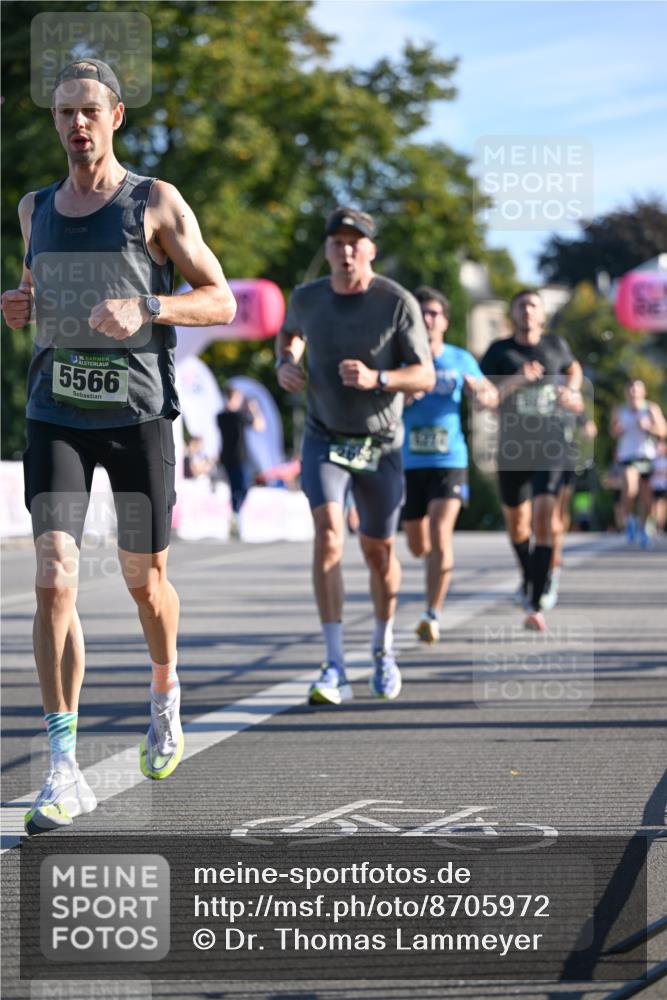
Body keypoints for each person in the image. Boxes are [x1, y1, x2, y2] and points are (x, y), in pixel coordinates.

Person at [1, 59, 236, 834]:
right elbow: (40, 301)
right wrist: (22, 306)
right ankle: (63, 768)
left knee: (144, 583)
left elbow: (221, 298)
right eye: (64, 112)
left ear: (116, 117)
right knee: (54, 579)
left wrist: (148, 304)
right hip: (56, 411)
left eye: (89, 112)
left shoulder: (155, 202)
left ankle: (164, 693)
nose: (76, 125)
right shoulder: (34, 209)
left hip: (136, 416)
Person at [275, 207, 434, 703]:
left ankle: (383, 649)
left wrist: (378, 379)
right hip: (325, 437)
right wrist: (286, 363)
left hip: (380, 442)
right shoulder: (306, 297)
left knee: (378, 551)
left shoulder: (396, 302)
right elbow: (288, 333)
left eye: (355, 243)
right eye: (337, 243)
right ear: (326, 251)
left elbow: (424, 375)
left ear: (371, 251)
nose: (345, 251)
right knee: (327, 536)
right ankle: (333, 664)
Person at [480, 289, 583, 631]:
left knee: (543, 515)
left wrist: (573, 391)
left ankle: (535, 600)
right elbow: (486, 400)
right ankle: (531, 575)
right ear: (513, 313)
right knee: (517, 525)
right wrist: (516, 380)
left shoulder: (555, 345)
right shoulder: (499, 352)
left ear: (541, 314)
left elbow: (574, 369)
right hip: (512, 448)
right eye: (521, 304)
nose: (527, 310)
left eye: (533, 305)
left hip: (550, 445)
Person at [401, 286, 497, 642]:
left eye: (434, 313)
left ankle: (432, 613)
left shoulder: (460, 359)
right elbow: (383, 402)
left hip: (449, 458)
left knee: (441, 533)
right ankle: (431, 564)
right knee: (417, 544)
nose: (428, 319)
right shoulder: (404, 359)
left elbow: (492, 397)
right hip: (410, 461)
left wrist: (480, 392)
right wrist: (405, 397)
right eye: (422, 312)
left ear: (445, 320)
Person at [541, 410, 597, 610]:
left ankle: (552, 570)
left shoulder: (572, 400)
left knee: (556, 517)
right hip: (539, 459)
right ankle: (536, 573)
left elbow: (590, 429)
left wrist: (583, 434)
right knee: (540, 518)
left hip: (565, 462)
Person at [610, 379, 667, 548]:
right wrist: (617, 429)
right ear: (626, 392)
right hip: (628, 456)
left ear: (643, 392)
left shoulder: (651, 408)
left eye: (637, 389)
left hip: (648, 457)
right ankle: (630, 520)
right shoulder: (620, 410)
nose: (633, 392)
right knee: (630, 488)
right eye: (631, 389)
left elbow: (663, 430)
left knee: (647, 499)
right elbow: (612, 432)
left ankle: (645, 527)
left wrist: (649, 426)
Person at [217, 385, 266, 517]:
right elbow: (260, 426)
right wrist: (254, 409)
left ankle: (235, 513)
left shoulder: (221, 415)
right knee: (243, 486)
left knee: (236, 488)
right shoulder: (238, 416)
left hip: (229, 457)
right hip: (239, 458)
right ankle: (235, 513)